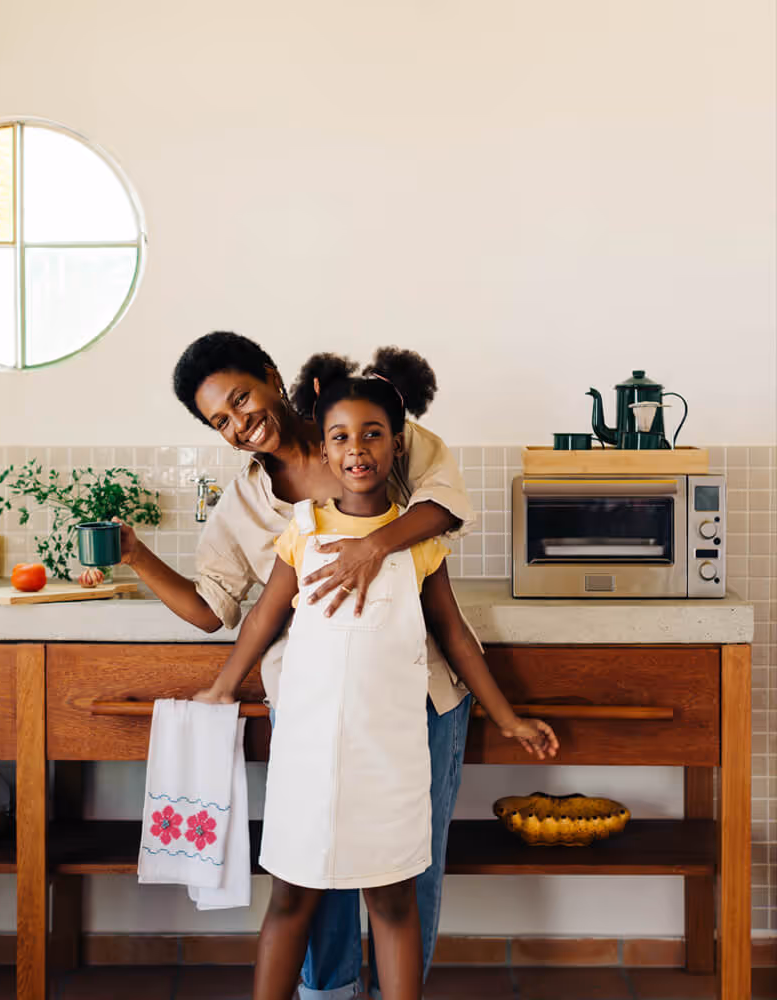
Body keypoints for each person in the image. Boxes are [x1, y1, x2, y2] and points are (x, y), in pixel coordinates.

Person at [114, 332, 474, 998]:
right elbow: (214, 608)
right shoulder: (248, 503)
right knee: (315, 872)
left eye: (241, 399)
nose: (239, 423)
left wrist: (373, 549)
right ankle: (328, 993)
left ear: (273, 378)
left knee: (405, 873)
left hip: (416, 693)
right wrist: (136, 556)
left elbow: (442, 505)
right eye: (219, 420)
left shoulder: (368, 428)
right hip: (312, 710)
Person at [193, 348, 558, 1000]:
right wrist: (224, 685)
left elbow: (456, 638)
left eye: (372, 435)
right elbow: (258, 620)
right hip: (309, 752)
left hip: (391, 757)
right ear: (325, 453)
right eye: (340, 437)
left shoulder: (421, 542)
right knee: (292, 898)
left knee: (393, 901)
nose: (356, 449)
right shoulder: (300, 532)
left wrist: (508, 717)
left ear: (398, 447)